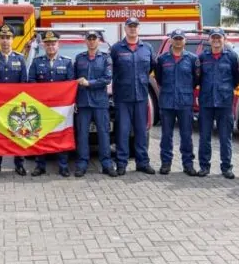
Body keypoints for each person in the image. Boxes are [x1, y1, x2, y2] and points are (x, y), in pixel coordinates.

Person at [110, 17, 156, 175]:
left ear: (139, 28)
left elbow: (150, 69)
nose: (132, 29)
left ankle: (142, 162)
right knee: (122, 131)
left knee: (141, 131)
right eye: (130, 26)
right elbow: (112, 71)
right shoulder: (116, 49)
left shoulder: (147, 48)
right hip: (122, 97)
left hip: (141, 96)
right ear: (125, 28)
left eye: (135, 26)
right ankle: (121, 163)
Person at [27, 30, 74, 177]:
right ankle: (40, 166)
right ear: (44, 45)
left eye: (53, 43)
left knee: (61, 136)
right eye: (48, 44)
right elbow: (31, 82)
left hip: (61, 108)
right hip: (42, 107)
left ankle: (63, 166)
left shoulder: (67, 62)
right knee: (40, 135)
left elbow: (71, 83)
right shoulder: (36, 62)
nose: (51, 46)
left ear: (58, 45)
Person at [197, 28, 239, 178]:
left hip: (224, 102)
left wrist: (226, 89)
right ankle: (204, 166)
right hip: (206, 102)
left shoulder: (232, 57)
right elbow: (197, 78)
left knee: (225, 137)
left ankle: (226, 167)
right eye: (213, 37)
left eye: (219, 37)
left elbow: (237, 78)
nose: (216, 40)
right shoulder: (203, 57)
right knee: (204, 137)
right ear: (209, 40)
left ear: (224, 39)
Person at [155, 29, 200, 176]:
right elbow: (159, 79)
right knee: (166, 135)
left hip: (185, 103)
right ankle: (166, 163)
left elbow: (196, 80)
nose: (178, 41)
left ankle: (188, 164)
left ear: (185, 41)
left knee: (186, 135)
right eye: (175, 38)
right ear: (171, 40)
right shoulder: (162, 59)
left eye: (181, 38)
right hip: (167, 102)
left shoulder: (192, 59)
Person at [0, 24, 28, 176]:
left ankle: (19, 165)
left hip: (16, 106)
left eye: (8, 38)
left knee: (18, 136)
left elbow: (24, 84)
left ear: (13, 40)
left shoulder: (20, 59)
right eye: (2, 38)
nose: (5, 41)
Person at [74, 30, 114, 177]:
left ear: (98, 41)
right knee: (82, 135)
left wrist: (88, 83)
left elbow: (107, 79)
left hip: (100, 103)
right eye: (89, 39)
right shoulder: (79, 59)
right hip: (83, 103)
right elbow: (73, 80)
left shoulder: (105, 59)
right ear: (86, 41)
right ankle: (82, 164)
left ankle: (106, 164)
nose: (91, 41)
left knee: (104, 134)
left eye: (94, 39)